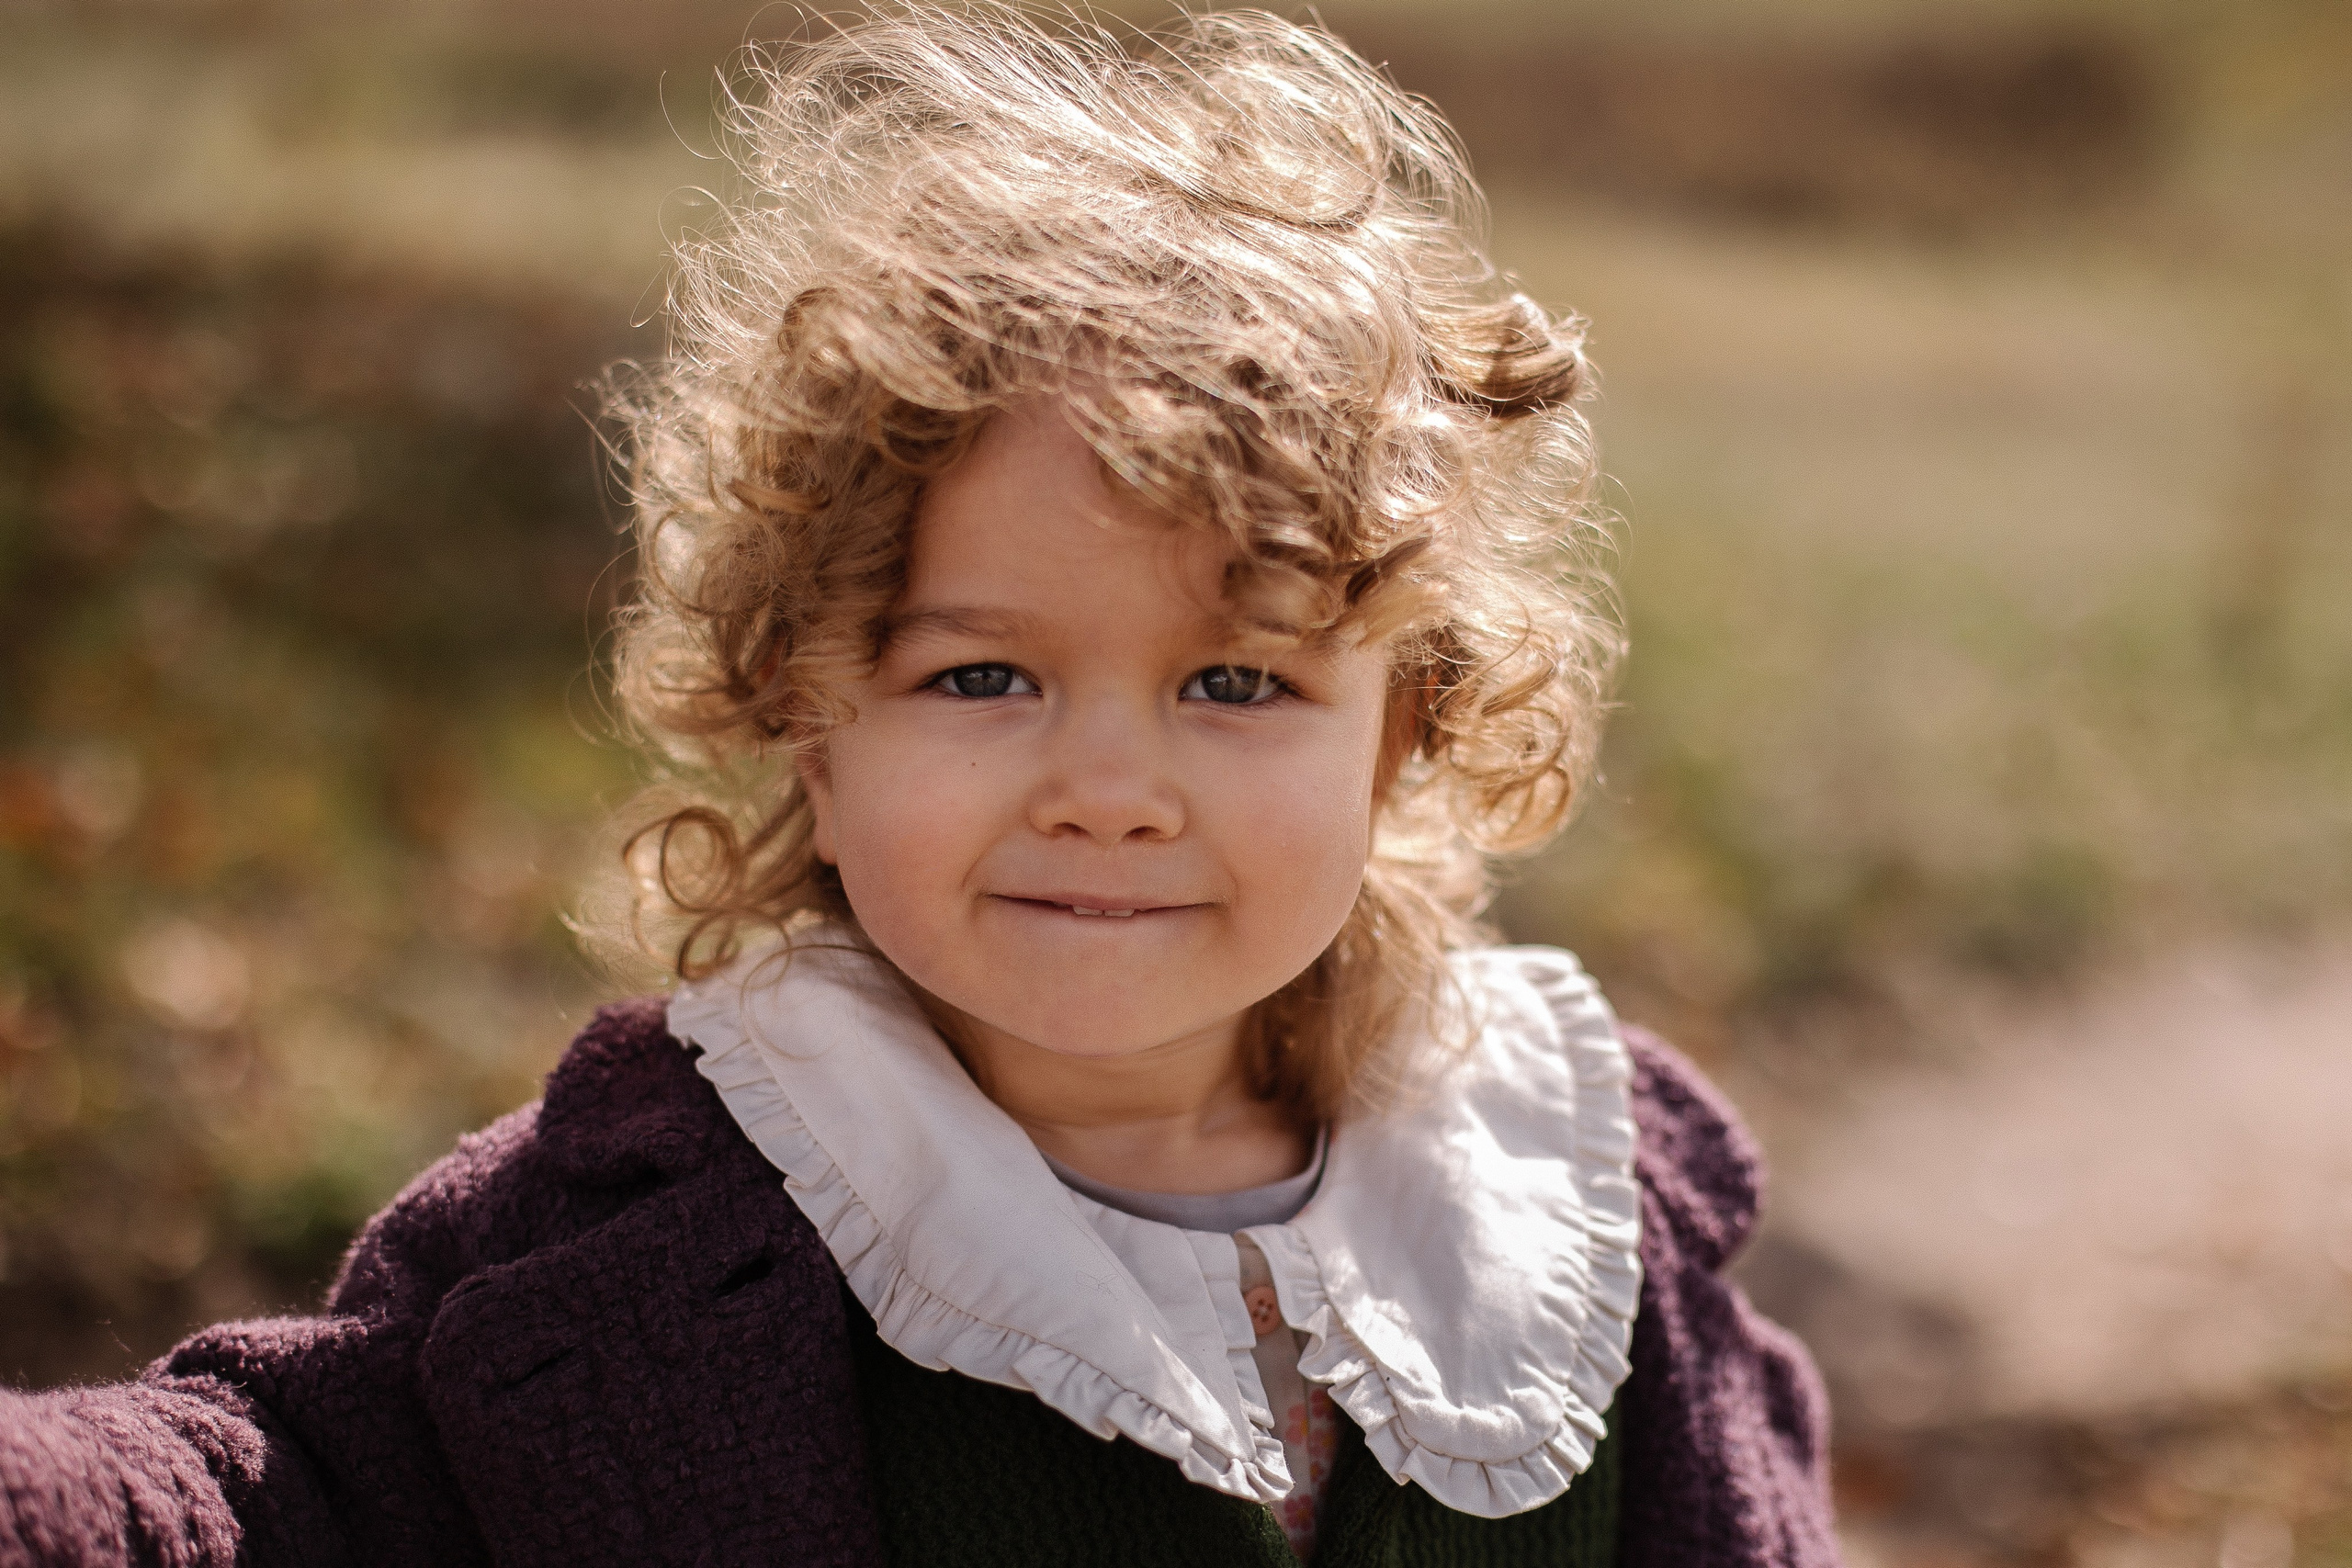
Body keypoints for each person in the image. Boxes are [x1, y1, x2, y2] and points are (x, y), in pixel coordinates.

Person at [0, 6, 1840, 1564]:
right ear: (808, 716)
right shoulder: (644, 1225)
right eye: (981, 676)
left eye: (1233, 680)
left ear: (1404, 729)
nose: (1107, 789)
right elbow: (268, 1491)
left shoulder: (1551, 1190)